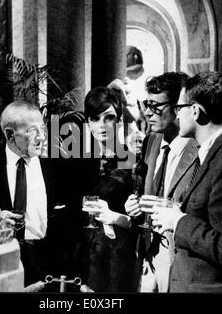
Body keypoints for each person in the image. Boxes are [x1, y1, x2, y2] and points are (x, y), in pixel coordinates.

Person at [150, 72, 222, 293]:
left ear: (195, 111)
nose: (176, 114)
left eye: (179, 108)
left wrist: (178, 221)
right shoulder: (217, 149)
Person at [124, 72, 198, 293]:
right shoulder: (152, 140)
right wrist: (133, 205)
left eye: (155, 106)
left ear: (178, 108)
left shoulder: (198, 148)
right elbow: (144, 189)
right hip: (147, 251)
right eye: (147, 104)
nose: (147, 112)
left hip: (179, 255)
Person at [0, 101, 63, 288]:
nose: (41, 137)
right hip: (0, 263)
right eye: (33, 131)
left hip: (45, 266)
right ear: (10, 134)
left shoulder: (54, 168)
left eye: (43, 129)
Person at [80, 86, 139, 292]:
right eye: (95, 119)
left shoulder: (132, 162)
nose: (102, 125)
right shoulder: (81, 162)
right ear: (88, 123)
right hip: (83, 257)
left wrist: (113, 216)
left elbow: (140, 224)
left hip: (117, 256)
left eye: (109, 118)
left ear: (120, 120)